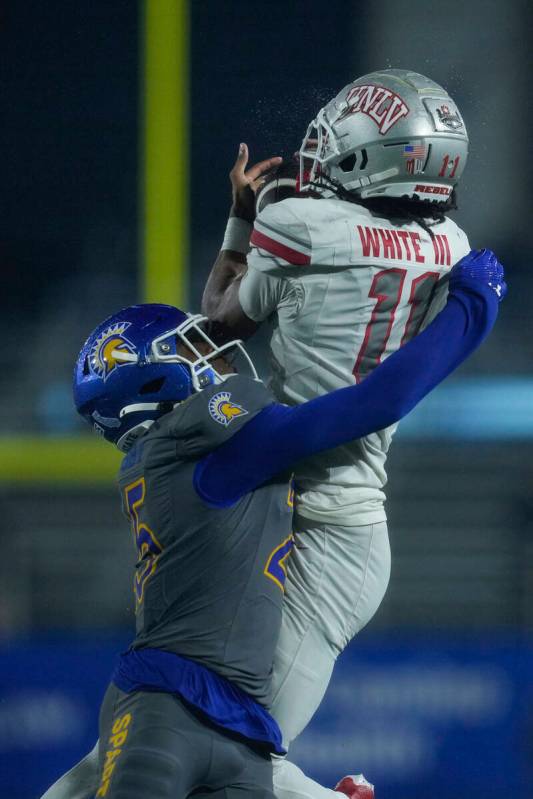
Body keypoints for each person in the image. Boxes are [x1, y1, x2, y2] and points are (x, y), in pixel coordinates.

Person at [39, 243, 504, 799]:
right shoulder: (206, 448)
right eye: (192, 350)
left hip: (238, 730)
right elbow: (379, 400)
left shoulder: (181, 451)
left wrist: (240, 233)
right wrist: (473, 307)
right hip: (169, 705)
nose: (221, 357)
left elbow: (229, 325)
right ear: (151, 382)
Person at [202, 69, 490, 798]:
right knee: (160, 738)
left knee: (233, 761)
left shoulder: (297, 227)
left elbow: (218, 321)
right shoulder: (452, 245)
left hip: (318, 533)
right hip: (308, 516)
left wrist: (242, 216)